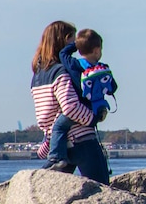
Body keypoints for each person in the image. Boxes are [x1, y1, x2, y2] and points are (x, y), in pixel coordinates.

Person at [29, 21, 110, 182]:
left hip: (59, 144)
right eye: (74, 40)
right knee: (102, 188)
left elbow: (44, 115)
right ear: (65, 40)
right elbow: (70, 107)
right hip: (81, 138)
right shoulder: (61, 71)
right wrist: (92, 118)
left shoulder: (37, 75)